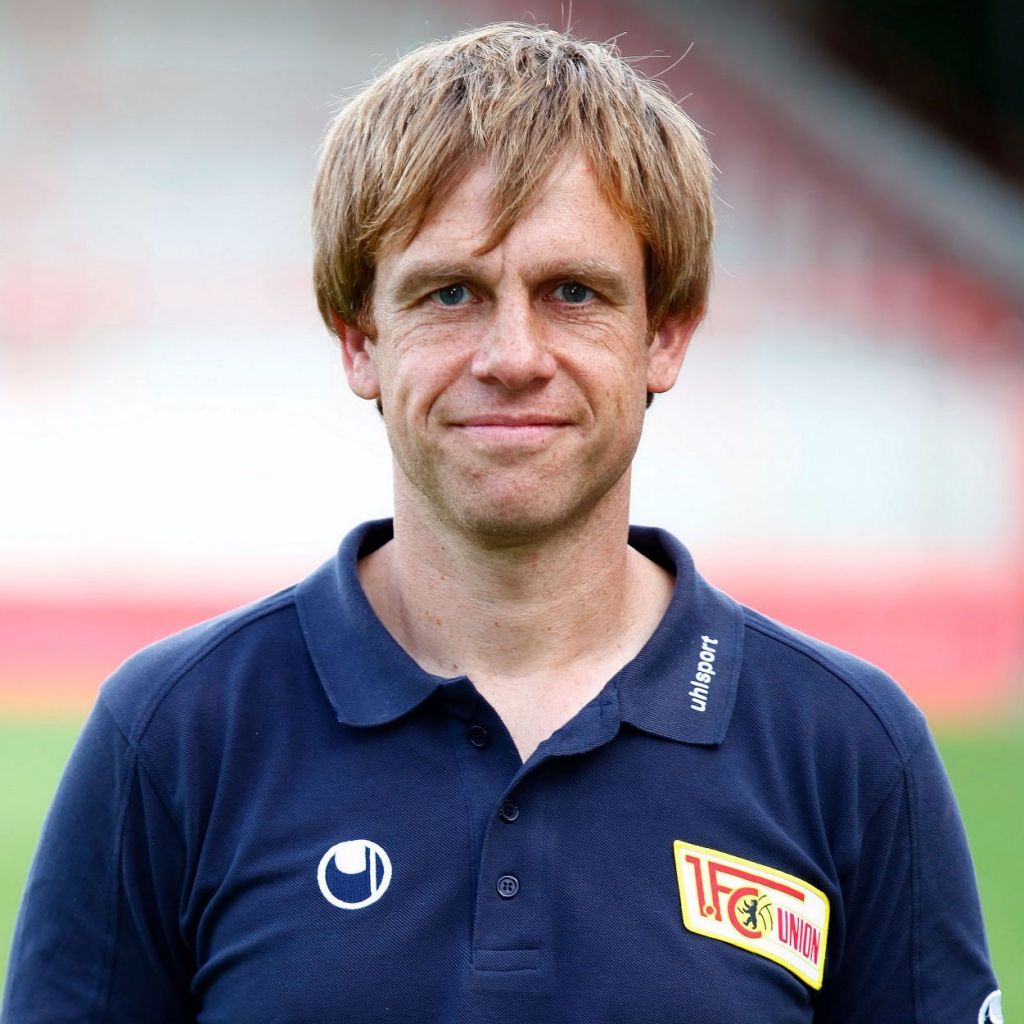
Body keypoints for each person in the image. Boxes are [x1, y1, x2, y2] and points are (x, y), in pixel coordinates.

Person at [3, 22, 1001, 1024]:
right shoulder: (175, 736)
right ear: (359, 340)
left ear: (665, 335)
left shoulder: (849, 749)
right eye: (450, 293)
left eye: (573, 292)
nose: (513, 354)